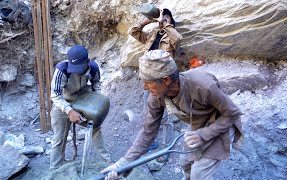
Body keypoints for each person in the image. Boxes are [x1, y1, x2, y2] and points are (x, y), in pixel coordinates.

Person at [101, 49, 243, 180]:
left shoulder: (203, 85)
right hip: (198, 124)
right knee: (185, 163)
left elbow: (233, 113)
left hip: (221, 123)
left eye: (148, 83)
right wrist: (122, 164)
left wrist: (205, 134)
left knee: (199, 174)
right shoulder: (156, 97)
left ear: (166, 80)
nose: (144, 88)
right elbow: (148, 132)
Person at [130, 7, 183, 158]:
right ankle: (150, 142)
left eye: (167, 18)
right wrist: (147, 21)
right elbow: (134, 32)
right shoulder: (152, 35)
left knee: (166, 114)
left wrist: (166, 23)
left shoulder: (171, 38)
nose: (162, 20)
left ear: (171, 22)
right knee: (149, 111)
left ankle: (165, 149)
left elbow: (178, 39)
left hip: (164, 81)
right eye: (162, 17)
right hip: (150, 79)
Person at [50, 45, 110, 169]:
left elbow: (96, 83)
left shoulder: (93, 68)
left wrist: (96, 102)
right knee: (58, 137)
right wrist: (69, 110)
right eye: (74, 68)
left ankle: (107, 162)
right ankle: (55, 170)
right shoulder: (61, 70)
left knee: (95, 129)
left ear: (88, 62)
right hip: (63, 100)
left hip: (83, 97)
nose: (76, 71)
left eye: (79, 67)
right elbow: (55, 95)